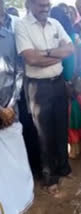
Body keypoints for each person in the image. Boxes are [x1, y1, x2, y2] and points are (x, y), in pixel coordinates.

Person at [15, 0, 74, 195]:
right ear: (30, 4)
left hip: (58, 83)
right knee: (44, 133)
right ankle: (50, 178)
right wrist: (57, 55)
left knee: (60, 127)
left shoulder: (55, 24)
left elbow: (70, 49)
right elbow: (31, 59)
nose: (45, 8)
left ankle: (64, 168)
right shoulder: (22, 26)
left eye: (47, 4)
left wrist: (46, 54)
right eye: (41, 5)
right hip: (38, 87)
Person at [0, 0, 34, 211]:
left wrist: (10, 107)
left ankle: (20, 200)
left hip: (11, 112)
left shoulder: (10, 38)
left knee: (16, 162)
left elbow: (19, 73)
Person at [50, 6, 81, 159]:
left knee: (73, 114)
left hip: (68, 79)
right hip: (79, 77)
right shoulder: (74, 35)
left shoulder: (57, 39)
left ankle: (75, 148)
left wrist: (69, 80)